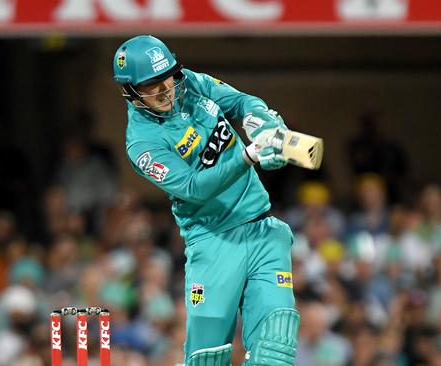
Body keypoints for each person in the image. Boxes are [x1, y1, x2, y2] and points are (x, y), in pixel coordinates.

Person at [112, 35, 300, 366]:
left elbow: (242, 101)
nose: (165, 90)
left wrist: (260, 120)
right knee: (207, 359)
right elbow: (193, 187)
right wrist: (248, 155)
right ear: (130, 91)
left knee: (276, 348)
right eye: (151, 86)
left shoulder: (190, 83)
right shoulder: (142, 144)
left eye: (167, 77)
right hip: (213, 241)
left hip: (262, 229)